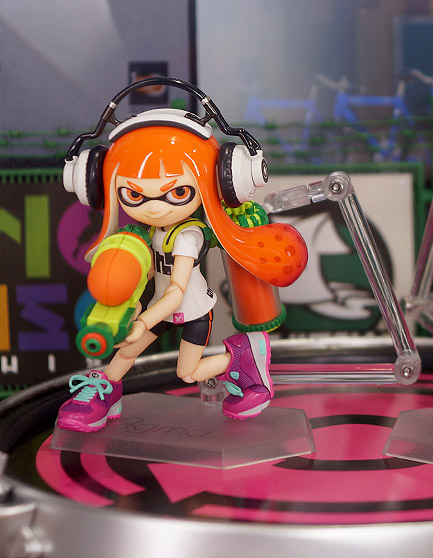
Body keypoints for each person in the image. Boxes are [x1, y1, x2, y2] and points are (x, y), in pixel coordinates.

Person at [58, 108, 307, 432]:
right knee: (127, 351)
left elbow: (177, 291)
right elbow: (150, 272)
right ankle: (106, 393)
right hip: (159, 308)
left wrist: (143, 321)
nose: (154, 207)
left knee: (187, 373)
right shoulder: (150, 232)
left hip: (192, 313)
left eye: (177, 192)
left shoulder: (188, 236)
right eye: (134, 194)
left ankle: (243, 357)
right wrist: (129, 301)